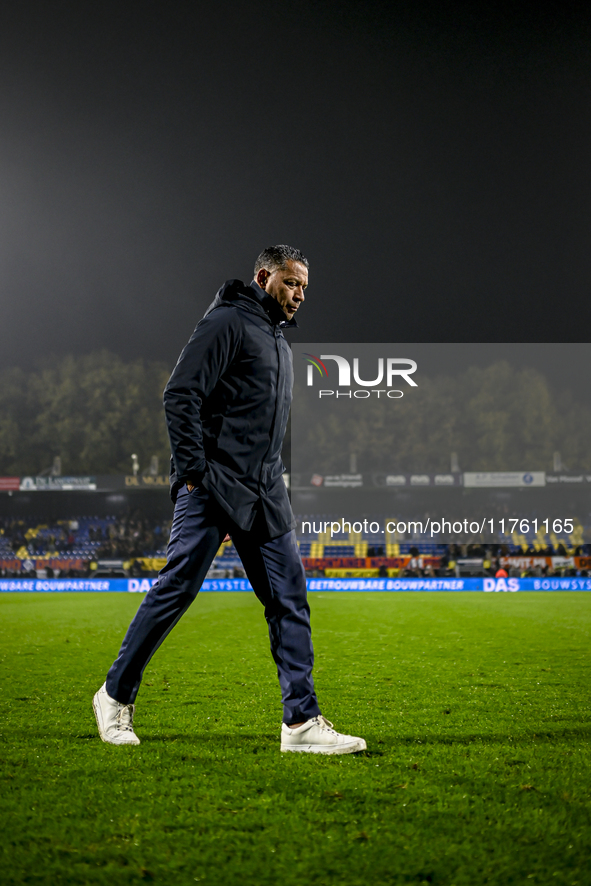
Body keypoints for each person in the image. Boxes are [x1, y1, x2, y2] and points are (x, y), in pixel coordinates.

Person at [93, 245, 366, 755]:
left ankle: (301, 722)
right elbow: (180, 394)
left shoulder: (279, 342)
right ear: (264, 277)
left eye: (305, 287)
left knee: (289, 601)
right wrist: (195, 473)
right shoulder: (227, 323)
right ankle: (113, 697)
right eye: (291, 283)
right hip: (215, 486)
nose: (300, 294)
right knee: (178, 588)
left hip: (265, 491)